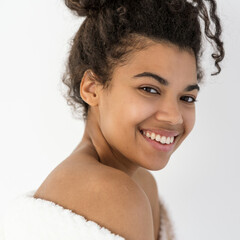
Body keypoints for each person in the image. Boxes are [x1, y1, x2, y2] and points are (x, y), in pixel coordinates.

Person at [0, 0, 224, 239]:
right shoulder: (115, 194)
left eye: (187, 98)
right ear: (92, 88)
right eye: (149, 89)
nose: (174, 116)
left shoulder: (142, 183)